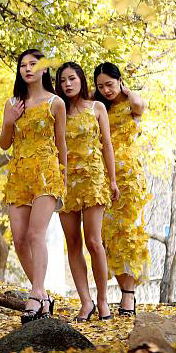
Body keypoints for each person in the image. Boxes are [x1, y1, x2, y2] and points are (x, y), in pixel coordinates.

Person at [0, 49, 67, 324]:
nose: (27, 69)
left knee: (36, 234)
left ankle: (36, 293)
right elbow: (5, 143)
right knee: (19, 239)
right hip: (19, 173)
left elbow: (61, 144)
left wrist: (64, 180)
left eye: (33, 64)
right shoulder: (13, 102)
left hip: (46, 173)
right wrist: (9, 121)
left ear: (44, 70)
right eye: (23, 65)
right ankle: (44, 296)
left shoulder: (56, 103)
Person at [56, 62, 118, 321]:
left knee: (93, 241)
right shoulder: (57, 110)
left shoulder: (97, 108)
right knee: (73, 244)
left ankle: (103, 301)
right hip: (66, 184)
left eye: (72, 78)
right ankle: (85, 302)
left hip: (93, 180)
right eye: (62, 81)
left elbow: (107, 146)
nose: (67, 84)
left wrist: (113, 180)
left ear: (81, 80)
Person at [94, 62, 149, 316]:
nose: (106, 90)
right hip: (103, 177)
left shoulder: (131, 104)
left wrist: (126, 90)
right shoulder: (98, 108)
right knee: (109, 237)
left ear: (120, 81)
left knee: (128, 234)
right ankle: (115, 293)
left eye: (110, 84)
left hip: (129, 178)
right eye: (100, 86)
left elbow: (139, 103)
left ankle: (129, 296)